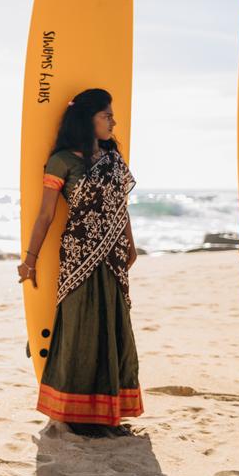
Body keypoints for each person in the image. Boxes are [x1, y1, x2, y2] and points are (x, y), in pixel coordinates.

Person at [18, 88, 142, 437]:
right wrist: (30, 260)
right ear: (88, 120)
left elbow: (122, 207)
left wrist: (130, 245)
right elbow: (45, 215)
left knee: (113, 326)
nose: (113, 121)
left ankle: (109, 415)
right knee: (80, 328)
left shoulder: (114, 157)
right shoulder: (62, 161)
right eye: (107, 115)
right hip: (79, 253)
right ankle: (77, 415)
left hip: (113, 254)